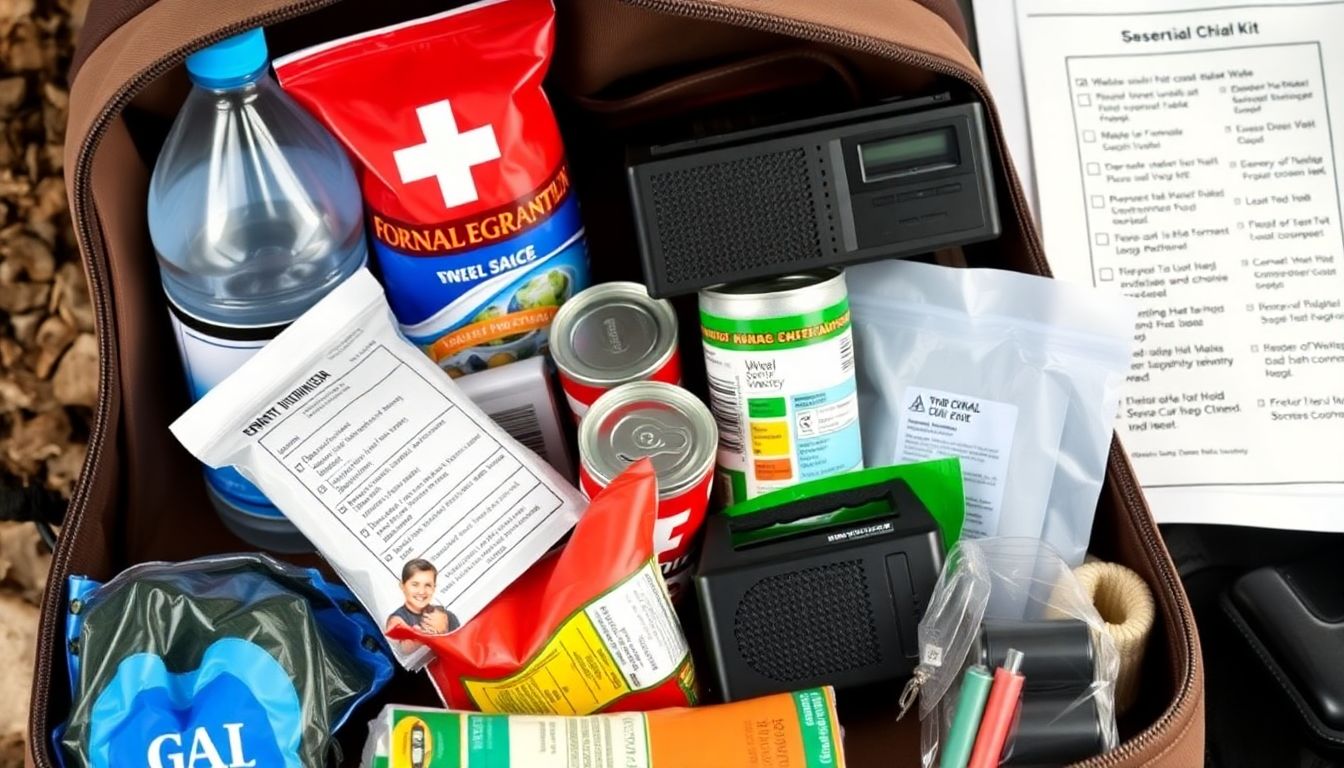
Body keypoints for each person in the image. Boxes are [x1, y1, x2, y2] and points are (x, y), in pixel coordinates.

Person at [386, 559, 459, 653]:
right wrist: (429, 634)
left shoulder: (448, 616)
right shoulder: (396, 620)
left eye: (428, 585)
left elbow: (461, 646)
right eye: (415, 585)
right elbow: (403, 652)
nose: (421, 591)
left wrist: (444, 629)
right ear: (402, 586)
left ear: (434, 588)